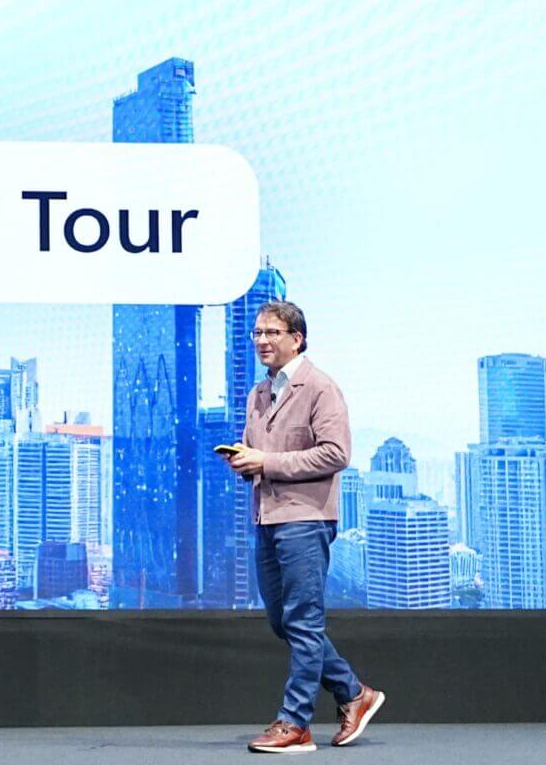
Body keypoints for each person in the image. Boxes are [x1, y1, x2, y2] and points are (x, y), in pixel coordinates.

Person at [221, 300, 385, 753]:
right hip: (267, 517)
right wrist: (245, 460)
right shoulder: (257, 394)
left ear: (297, 338)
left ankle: (295, 723)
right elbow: (263, 454)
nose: (261, 341)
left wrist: (266, 461)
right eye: (256, 333)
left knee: (304, 621)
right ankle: (354, 693)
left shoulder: (320, 389)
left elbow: (336, 453)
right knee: (285, 621)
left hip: (305, 520)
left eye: (272, 333)